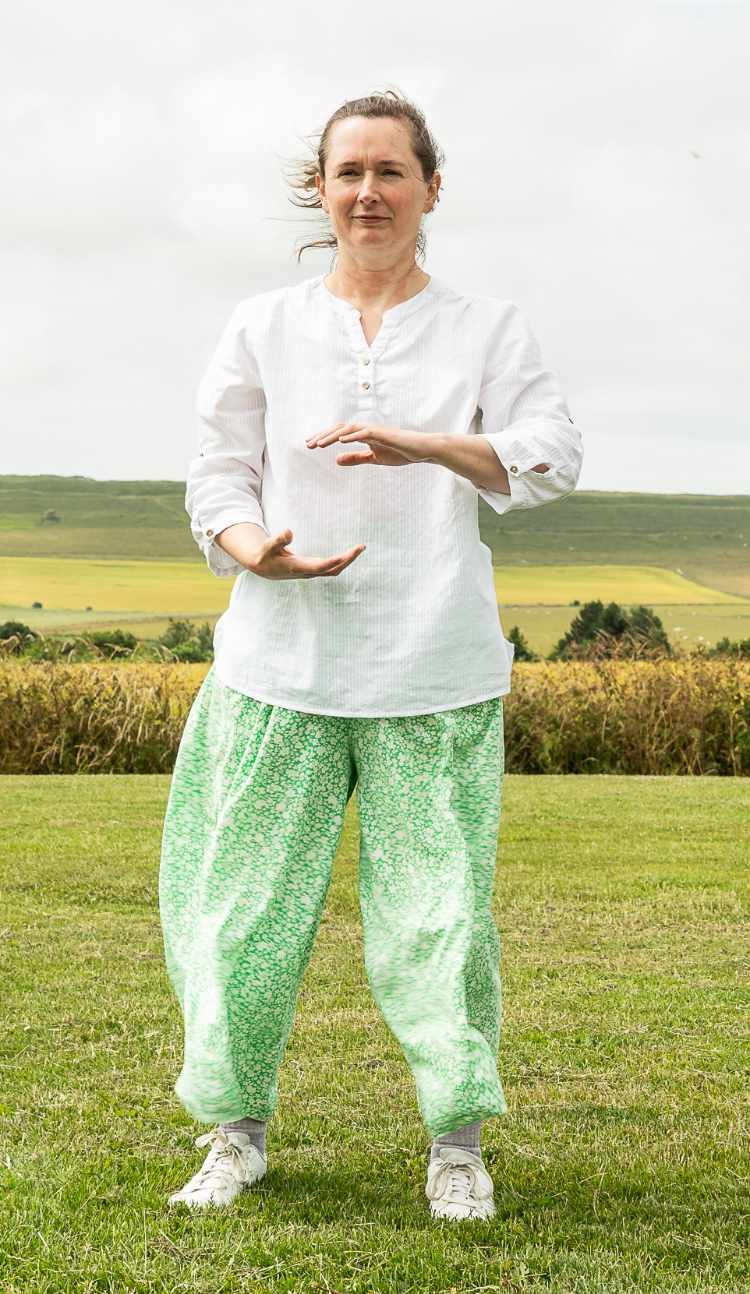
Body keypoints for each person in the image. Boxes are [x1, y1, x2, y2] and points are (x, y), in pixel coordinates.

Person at [159, 89, 583, 1222]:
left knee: (438, 917)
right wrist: (256, 549)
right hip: (277, 667)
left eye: (392, 172)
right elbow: (218, 472)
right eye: (349, 173)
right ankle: (234, 1133)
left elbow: (549, 456)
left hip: (431, 666)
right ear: (321, 189)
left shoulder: (487, 327)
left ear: (431, 188)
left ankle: (456, 1146)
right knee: (242, 912)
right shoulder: (263, 324)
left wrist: (424, 443)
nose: (368, 193)